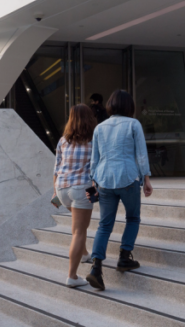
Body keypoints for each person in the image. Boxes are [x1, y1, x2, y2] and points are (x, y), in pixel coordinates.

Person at [85, 89, 153, 291]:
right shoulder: (133, 124)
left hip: (104, 179)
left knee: (104, 225)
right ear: (128, 106)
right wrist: (147, 178)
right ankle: (124, 257)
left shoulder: (100, 127)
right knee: (132, 218)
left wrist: (94, 180)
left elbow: (94, 159)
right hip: (128, 178)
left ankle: (96, 268)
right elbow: (141, 154)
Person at [52, 103, 97, 288]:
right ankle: (72, 276)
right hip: (81, 188)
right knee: (79, 231)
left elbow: (56, 168)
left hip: (62, 189)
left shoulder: (63, 140)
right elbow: (97, 167)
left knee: (78, 227)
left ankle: (85, 254)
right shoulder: (93, 140)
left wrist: (55, 192)